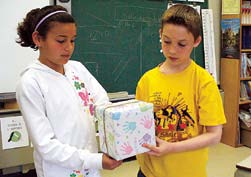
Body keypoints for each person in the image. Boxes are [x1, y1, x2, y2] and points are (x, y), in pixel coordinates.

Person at [15, 5, 122, 177]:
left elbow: (102, 103)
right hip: (58, 171)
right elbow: (46, 146)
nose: (69, 47)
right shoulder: (31, 82)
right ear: (38, 39)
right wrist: (95, 160)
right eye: (61, 40)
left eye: (72, 40)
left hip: (90, 168)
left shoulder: (77, 69)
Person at [135, 4, 226, 177]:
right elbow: (139, 127)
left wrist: (172, 148)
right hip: (149, 172)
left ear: (197, 41)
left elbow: (214, 136)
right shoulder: (147, 80)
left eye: (182, 44)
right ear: (160, 34)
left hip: (187, 172)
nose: (172, 50)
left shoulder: (203, 81)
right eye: (167, 41)